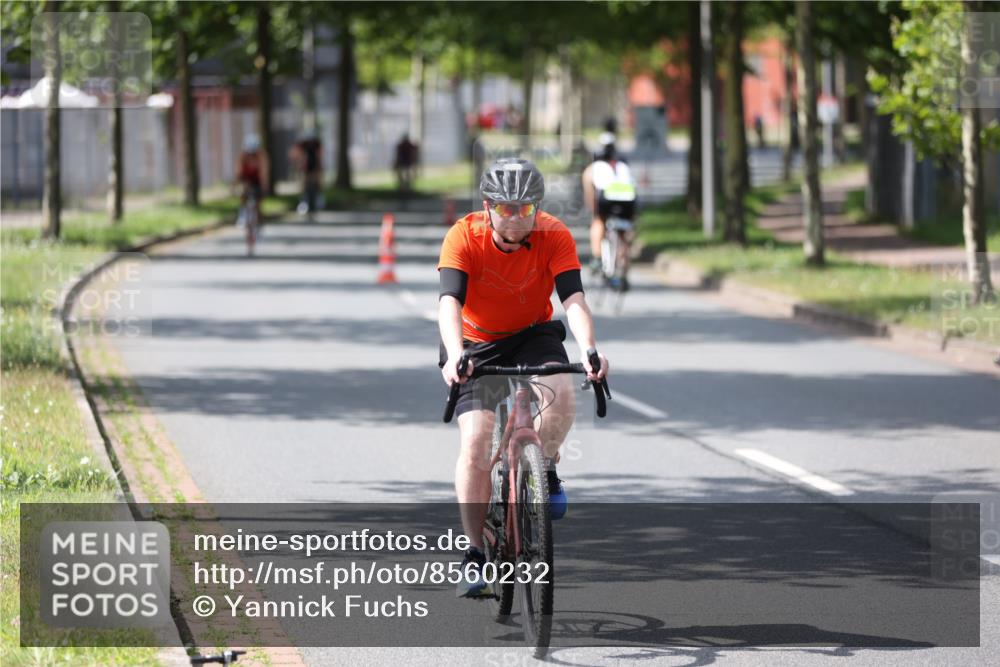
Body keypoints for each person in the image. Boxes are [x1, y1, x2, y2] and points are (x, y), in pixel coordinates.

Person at [437, 158, 610, 598]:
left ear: (538, 208)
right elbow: (449, 303)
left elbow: (573, 299)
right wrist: (456, 355)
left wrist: (590, 348)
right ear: (488, 206)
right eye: (507, 208)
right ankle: (475, 552)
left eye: (526, 209)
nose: (516, 218)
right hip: (475, 341)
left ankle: (545, 467)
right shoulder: (463, 235)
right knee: (477, 439)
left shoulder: (554, 235)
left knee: (563, 396)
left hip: (533, 334)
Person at [581, 132, 638, 284]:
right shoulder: (623, 163)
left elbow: (589, 190)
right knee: (623, 235)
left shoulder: (594, 166)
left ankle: (597, 258)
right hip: (627, 200)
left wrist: (592, 210)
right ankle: (624, 273)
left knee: (598, 221)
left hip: (607, 199)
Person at [236, 134, 268, 225]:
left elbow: (264, 173)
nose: (251, 155)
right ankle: (242, 212)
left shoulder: (262, 156)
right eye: (249, 152)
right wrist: (237, 184)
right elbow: (238, 172)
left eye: (253, 153)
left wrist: (264, 186)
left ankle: (259, 220)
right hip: (246, 179)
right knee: (243, 192)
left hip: (257, 179)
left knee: (258, 201)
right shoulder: (242, 156)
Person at [290, 132, 322, 217]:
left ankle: (315, 202)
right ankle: (304, 202)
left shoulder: (316, 144)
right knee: (304, 186)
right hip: (305, 169)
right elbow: (296, 154)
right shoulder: (303, 145)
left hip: (314, 169)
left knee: (316, 184)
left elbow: (319, 156)